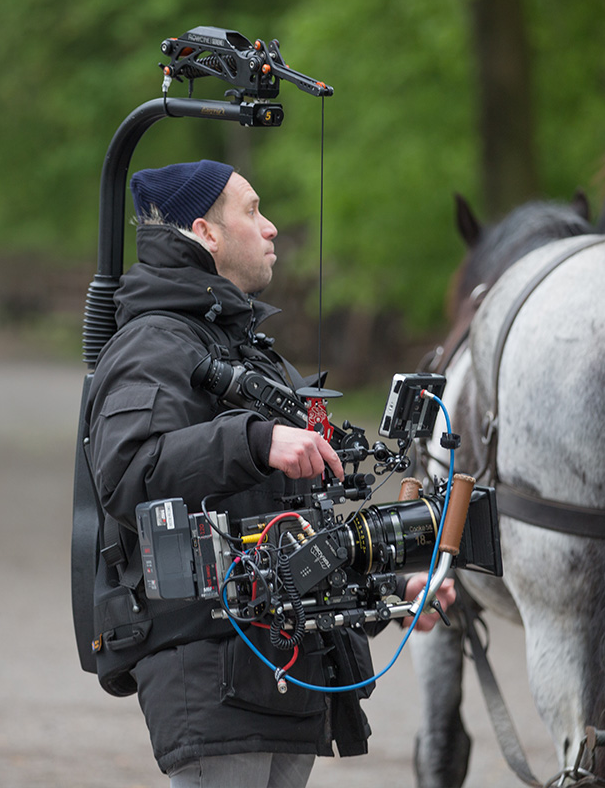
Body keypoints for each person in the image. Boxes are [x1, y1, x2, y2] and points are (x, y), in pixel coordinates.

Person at [86, 159, 455, 788]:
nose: (272, 228)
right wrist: (256, 440)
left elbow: (286, 529)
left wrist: (390, 587)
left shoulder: (248, 351)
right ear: (205, 232)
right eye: (252, 211)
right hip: (208, 669)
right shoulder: (153, 342)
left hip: (278, 669)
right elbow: (125, 473)